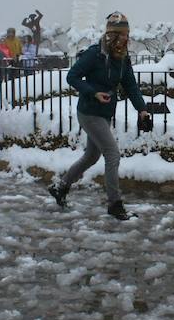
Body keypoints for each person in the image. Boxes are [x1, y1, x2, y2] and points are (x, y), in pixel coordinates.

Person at [48, 12, 150, 220]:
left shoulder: (122, 57)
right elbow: (72, 76)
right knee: (112, 154)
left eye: (127, 34)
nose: (126, 38)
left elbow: (130, 85)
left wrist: (142, 109)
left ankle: (61, 186)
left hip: (104, 112)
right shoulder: (94, 54)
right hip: (89, 111)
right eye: (123, 34)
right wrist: (92, 92)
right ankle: (115, 204)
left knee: (92, 156)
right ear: (112, 35)